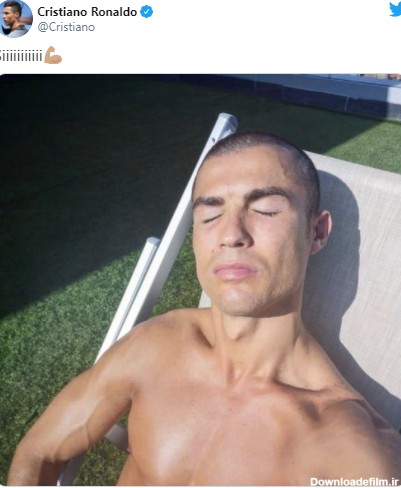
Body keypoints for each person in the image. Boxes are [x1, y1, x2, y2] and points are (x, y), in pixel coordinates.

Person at [7, 132, 401, 485]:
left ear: (316, 232)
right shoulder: (157, 344)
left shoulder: (346, 443)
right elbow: (41, 451)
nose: (230, 234)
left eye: (265, 209)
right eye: (209, 215)